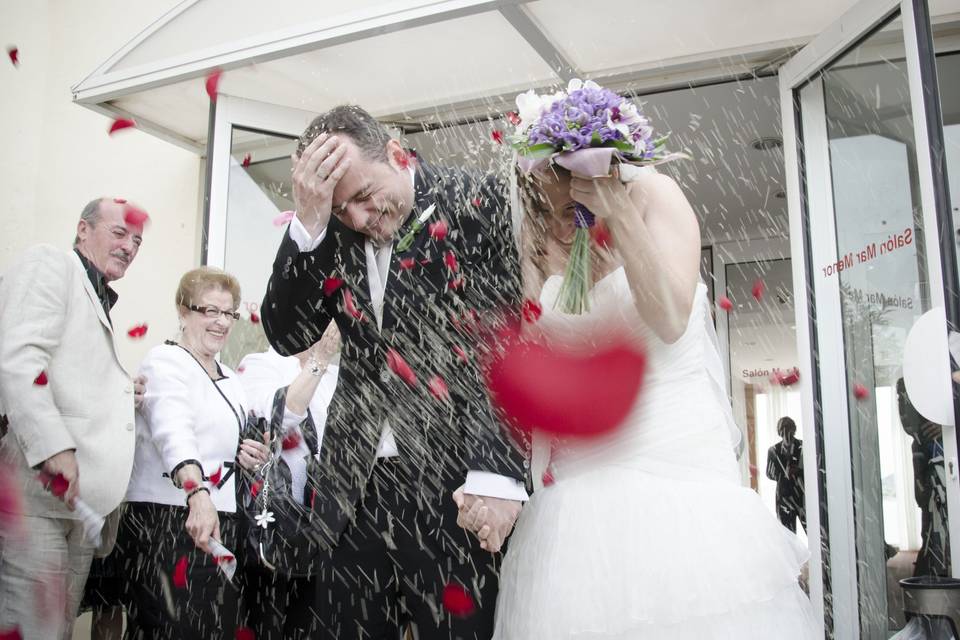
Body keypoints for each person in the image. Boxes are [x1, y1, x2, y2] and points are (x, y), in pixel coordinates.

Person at [470, 107, 819, 636]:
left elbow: (671, 318)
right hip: (577, 488)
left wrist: (620, 215)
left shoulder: (657, 197)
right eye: (546, 201)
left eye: (572, 203)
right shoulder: (538, 236)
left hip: (677, 464)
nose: (565, 222)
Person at [261, 104, 526, 638]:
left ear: (398, 154)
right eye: (341, 211)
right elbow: (287, 332)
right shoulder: (330, 231)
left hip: (453, 480)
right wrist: (310, 225)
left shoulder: (475, 200)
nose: (359, 219)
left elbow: (506, 344)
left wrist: (496, 471)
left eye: (363, 196)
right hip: (351, 484)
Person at [0, 197, 146, 640]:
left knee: (58, 630)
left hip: (82, 510)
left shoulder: (96, 293)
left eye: (136, 240)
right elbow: (19, 359)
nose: (129, 246)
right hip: (40, 490)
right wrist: (55, 446)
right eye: (119, 233)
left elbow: (70, 377)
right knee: (33, 628)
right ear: (83, 230)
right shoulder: (51, 264)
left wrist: (124, 396)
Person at [119, 266, 269, 640]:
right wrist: (196, 492)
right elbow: (175, 432)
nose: (221, 322)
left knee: (215, 627)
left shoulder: (231, 378)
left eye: (229, 313)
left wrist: (250, 453)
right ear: (184, 312)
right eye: (210, 311)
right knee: (171, 627)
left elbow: (222, 442)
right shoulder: (165, 362)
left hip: (220, 519)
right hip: (170, 519)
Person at [235, 322, 340, 639]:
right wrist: (319, 359)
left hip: (321, 521)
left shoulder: (336, 376)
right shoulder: (259, 364)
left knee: (311, 624)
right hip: (276, 520)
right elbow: (281, 416)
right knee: (267, 621)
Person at [897, 377, 949, 576]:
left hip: (941, 458)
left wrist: (946, 425)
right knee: (931, 532)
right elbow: (909, 425)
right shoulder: (908, 383)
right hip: (928, 462)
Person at [766, 416, 807, 533]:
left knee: (812, 533)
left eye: (787, 429)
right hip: (788, 496)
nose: (786, 433)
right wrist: (784, 474)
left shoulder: (803, 446)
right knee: (788, 537)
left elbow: (811, 470)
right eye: (784, 429)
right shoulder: (773, 451)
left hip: (801, 495)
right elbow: (769, 474)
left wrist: (797, 472)